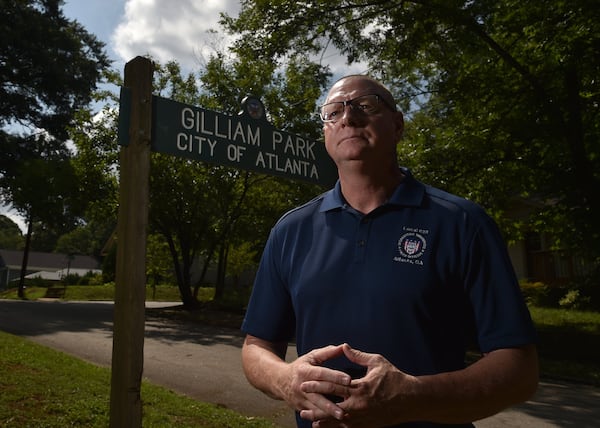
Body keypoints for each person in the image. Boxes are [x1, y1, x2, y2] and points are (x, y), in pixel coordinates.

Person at [241, 75, 538, 428]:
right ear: (325, 135)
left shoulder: (462, 223)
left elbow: (519, 368)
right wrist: (285, 379)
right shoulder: (291, 230)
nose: (348, 118)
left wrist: (411, 397)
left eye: (366, 106)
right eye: (333, 112)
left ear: (397, 125)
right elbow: (256, 346)